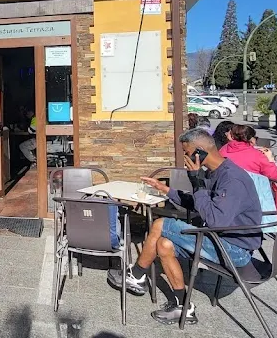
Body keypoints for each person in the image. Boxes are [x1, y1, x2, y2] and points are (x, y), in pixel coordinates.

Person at [109, 128, 262, 325]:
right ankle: (184, 307)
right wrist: (166, 189)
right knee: (163, 244)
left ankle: (137, 275)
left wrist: (197, 183)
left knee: (160, 224)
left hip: (235, 249)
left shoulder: (232, 179)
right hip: (221, 239)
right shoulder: (218, 172)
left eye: (187, 153)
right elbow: (202, 205)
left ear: (200, 151)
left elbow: (215, 220)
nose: (185, 158)